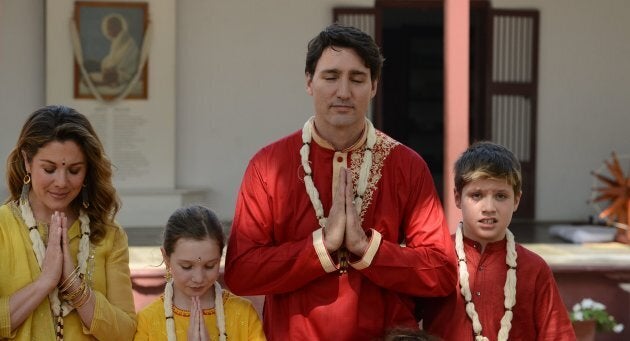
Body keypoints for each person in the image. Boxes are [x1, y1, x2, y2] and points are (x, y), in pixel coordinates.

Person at [224, 24, 457, 340]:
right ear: (309, 81)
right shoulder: (268, 166)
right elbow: (241, 272)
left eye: (357, 79)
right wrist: (321, 245)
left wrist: (365, 247)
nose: (344, 92)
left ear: (374, 85)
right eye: (331, 77)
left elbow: (441, 272)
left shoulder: (406, 166)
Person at [0, 105, 137, 340]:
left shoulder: (107, 235)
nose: (61, 182)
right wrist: (45, 282)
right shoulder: (3, 228)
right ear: (27, 162)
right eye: (49, 169)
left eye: (74, 170)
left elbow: (125, 333)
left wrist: (75, 287)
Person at [419, 141, 576, 340]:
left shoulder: (534, 269)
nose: (489, 207)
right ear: (457, 198)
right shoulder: (435, 259)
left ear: (517, 200)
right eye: (477, 195)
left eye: (501, 196)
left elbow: (557, 335)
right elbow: (402, 322)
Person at [134, 205, 265, 341]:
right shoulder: (148, 321)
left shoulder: (243, 314)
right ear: (166, 258)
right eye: (187, 266)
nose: (198, 278)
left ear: (220, 257)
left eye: (209, 266)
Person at [97, 13, 140, 88]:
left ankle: (104, 82)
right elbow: (112, 58)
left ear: (117, 27)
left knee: (111, 73)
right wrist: (107, 65)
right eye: (107, 28)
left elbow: (123, 62)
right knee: (105, 66)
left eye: (109, 28)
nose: (107, 32)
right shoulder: (117, 41)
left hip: (127, 73)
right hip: (118, 70)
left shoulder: (127, 41)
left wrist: (110, 67)